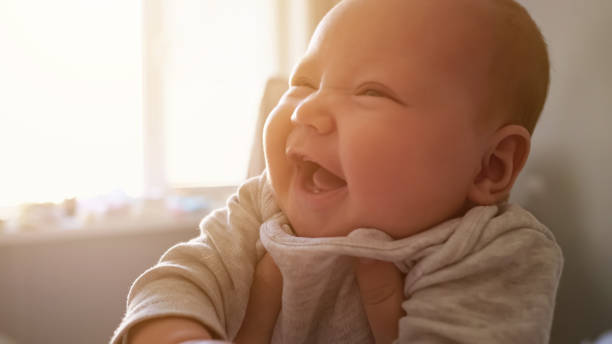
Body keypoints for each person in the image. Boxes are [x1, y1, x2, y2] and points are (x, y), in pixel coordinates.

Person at [111, 0, 563, 343]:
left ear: (491, 166)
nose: (308, 108)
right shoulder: (261, 207)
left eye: (371, 91)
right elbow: (179, 281)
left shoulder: (493, 252)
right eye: (303, 83)